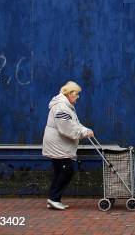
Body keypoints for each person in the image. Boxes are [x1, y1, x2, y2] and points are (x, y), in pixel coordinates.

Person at [42, 81, 94, 210]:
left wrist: (84, 129)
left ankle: (53, 199)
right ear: (70, 94)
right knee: (67, 171)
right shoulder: (62, 107)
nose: (78, 97)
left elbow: (74, 123)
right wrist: (84, 132)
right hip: (59, 146)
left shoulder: (66, 106)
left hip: (59, 145)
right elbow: (66, 128)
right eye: (76, 94)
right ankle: (54, 198)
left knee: (60, 171)